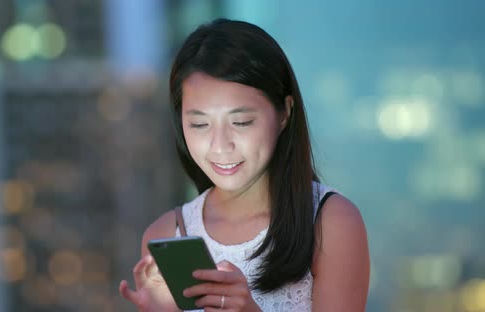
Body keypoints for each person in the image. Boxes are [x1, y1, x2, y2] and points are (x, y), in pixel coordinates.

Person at [119, 18, 370, 312]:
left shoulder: (330, 222)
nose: (220, 145)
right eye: (199, 124)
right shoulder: (166, 234)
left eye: (241, 122)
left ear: (285, 113)